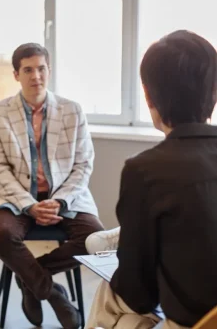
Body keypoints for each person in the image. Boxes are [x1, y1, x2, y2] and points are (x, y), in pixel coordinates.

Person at [86, 30, 217, 329]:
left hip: (196, 323)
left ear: (147, 95)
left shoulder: (145, 171)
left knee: (114, 304)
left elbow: (139, 294)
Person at [0, 42, 104, 329]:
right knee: (1, 236)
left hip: (64, 196)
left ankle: (31, 281)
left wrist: (59, 202)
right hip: (14, 197)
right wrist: (29, 204)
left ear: (49, 70)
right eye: (28, 70)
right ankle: (54, 294)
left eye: (41, 69)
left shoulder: (72, 110)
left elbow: (83, 164)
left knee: (96, 239)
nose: (36, 76)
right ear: (16, 75)